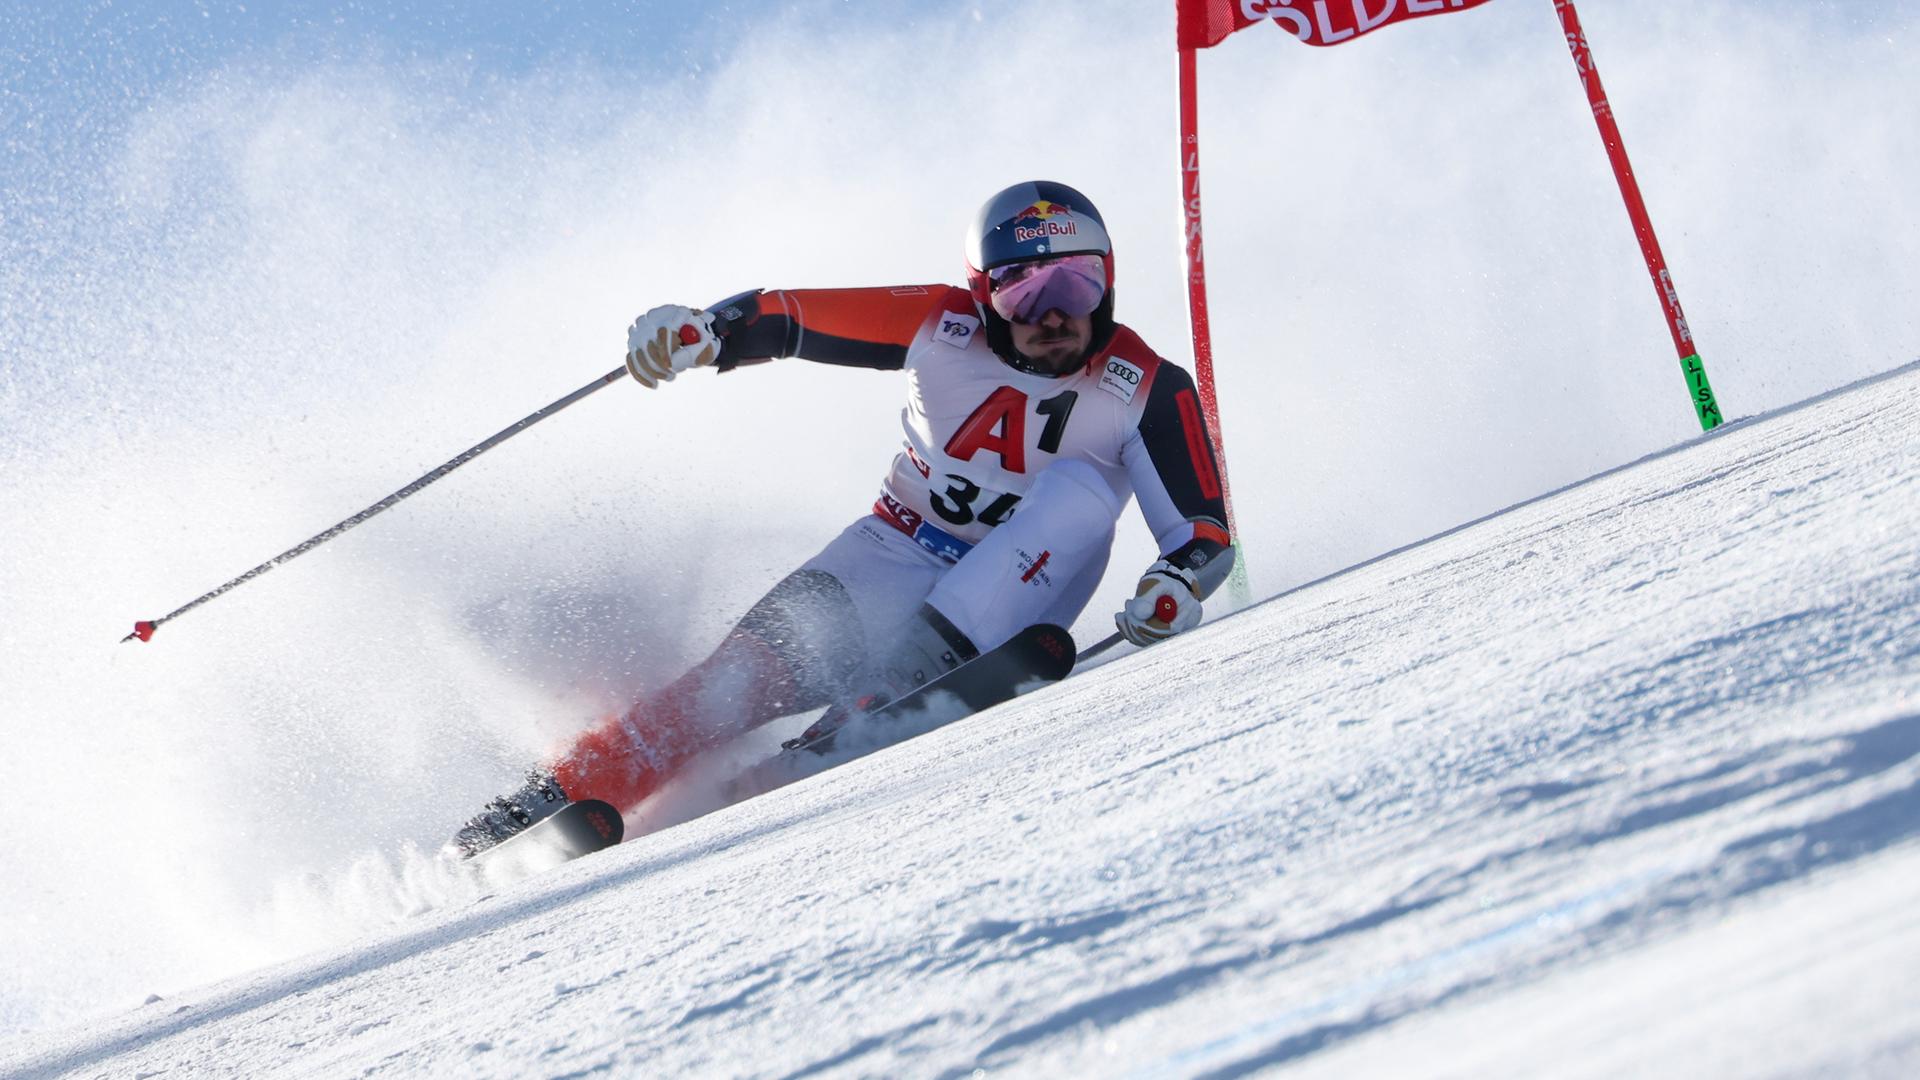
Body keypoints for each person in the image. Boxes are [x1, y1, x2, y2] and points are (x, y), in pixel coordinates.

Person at [452, 180, 1235, 855]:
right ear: (981, 294)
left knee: (1081, 497)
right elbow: (790, 315)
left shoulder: (1148, 386)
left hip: (1022, 587)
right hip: (890, 553)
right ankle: (539, 807)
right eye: (1022, 291)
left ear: (1109, 285)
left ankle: (884, 698)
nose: (1054, 314)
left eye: (1076, 286)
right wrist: (705, 333)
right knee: (725, 690)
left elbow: (1203, 533)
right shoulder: (942, 324)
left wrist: (1174, 582)